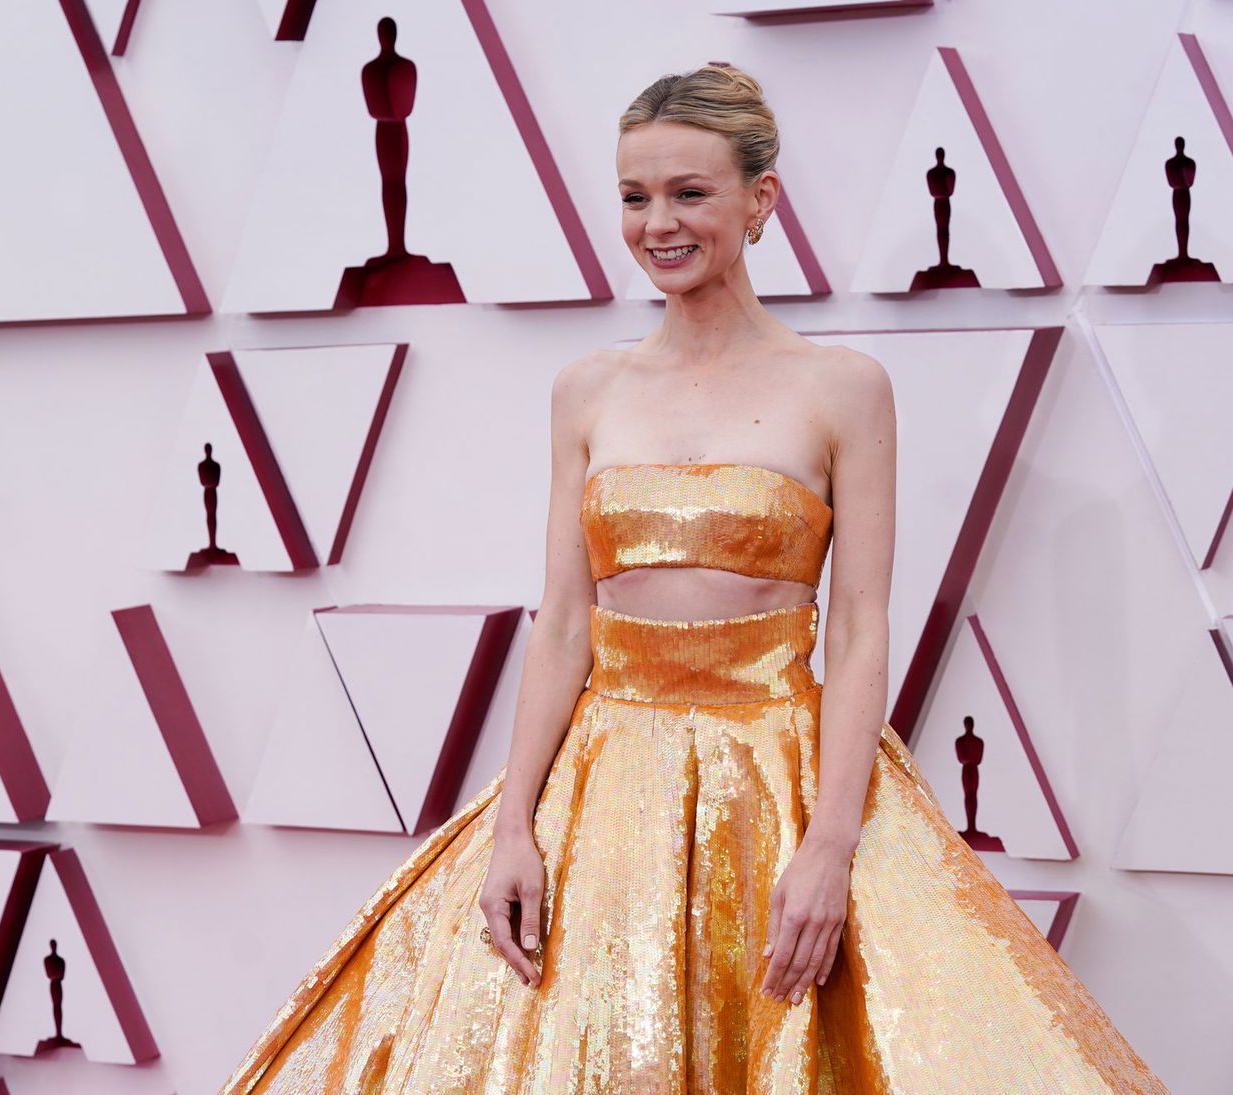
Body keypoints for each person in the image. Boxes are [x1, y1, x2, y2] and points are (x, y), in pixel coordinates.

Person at [214, 65, 1173, 1094]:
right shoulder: (586, 390)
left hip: (779, 778)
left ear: (761, 199)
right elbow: (564, 626)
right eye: (635, 196)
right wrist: (512, 827)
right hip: (602, 786)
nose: (657, 224)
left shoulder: (843, 388)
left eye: (689, 193)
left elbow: (858, 631)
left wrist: (831, 844)